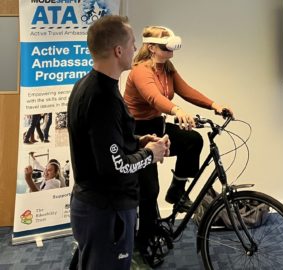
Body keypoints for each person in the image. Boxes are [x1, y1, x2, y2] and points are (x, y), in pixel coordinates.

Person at [67, 15, 170, 270]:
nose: (136, 49)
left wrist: (136, 140)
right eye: (133, 42)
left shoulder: (87, 85)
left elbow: (103, 142)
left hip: (94, 206)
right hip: (106, 211)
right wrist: (150, 154)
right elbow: (114, 166)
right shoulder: (104, 98)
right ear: (118, 50)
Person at [123, 25, 233, 253]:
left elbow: (187, 90)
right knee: (149, 190)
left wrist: (215, 106)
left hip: (158, 126)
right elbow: (153, 97)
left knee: (192, 140)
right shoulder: (141, 71)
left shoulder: (167, 68)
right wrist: (176, 111)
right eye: (165, 45)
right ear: (151, 47)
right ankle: (141, 245)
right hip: (137, 134)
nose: (170, 49)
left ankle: (176, 192)